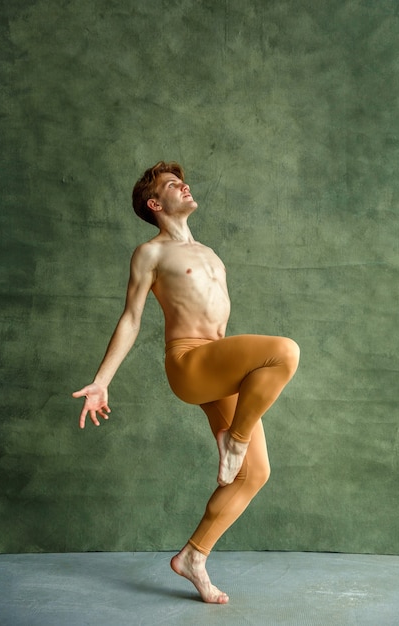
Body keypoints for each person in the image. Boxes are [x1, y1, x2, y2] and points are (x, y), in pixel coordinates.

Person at [72, 161, 300, 604]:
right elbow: (132, 319)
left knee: (255, 474)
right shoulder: (150, 253)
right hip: (190, 361)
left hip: (220, 363)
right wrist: (102, 381)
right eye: (174, 186)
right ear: (156, 204)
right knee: (284, 351)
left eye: (184, 181)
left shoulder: (210, 252)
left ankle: (193, 556)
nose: (185, 186)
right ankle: (233, 439)